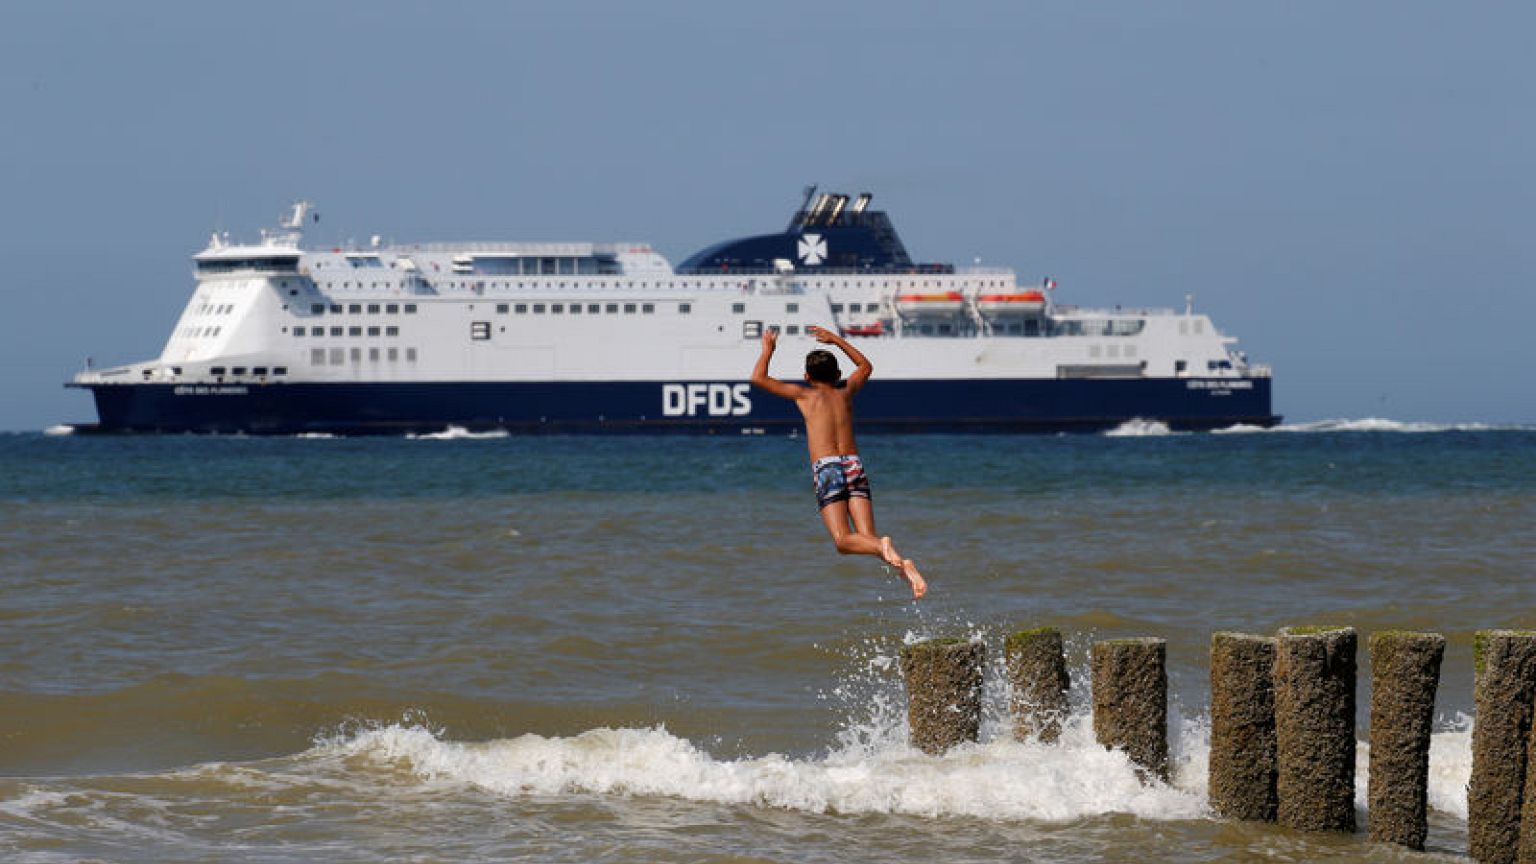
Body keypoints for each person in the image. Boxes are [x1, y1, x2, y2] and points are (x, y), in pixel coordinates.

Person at [750, 325, 927, 599]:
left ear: (806, 376)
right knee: (867, 538)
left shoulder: (804, 395)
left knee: (844, 542)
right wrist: (836, 340)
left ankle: (886, 548)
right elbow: (865, 366)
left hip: (828, 469)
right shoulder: (845, 392)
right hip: (854, 464)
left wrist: (768, 350)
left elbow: (759, 378)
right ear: (838, 374)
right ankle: (905, 569)